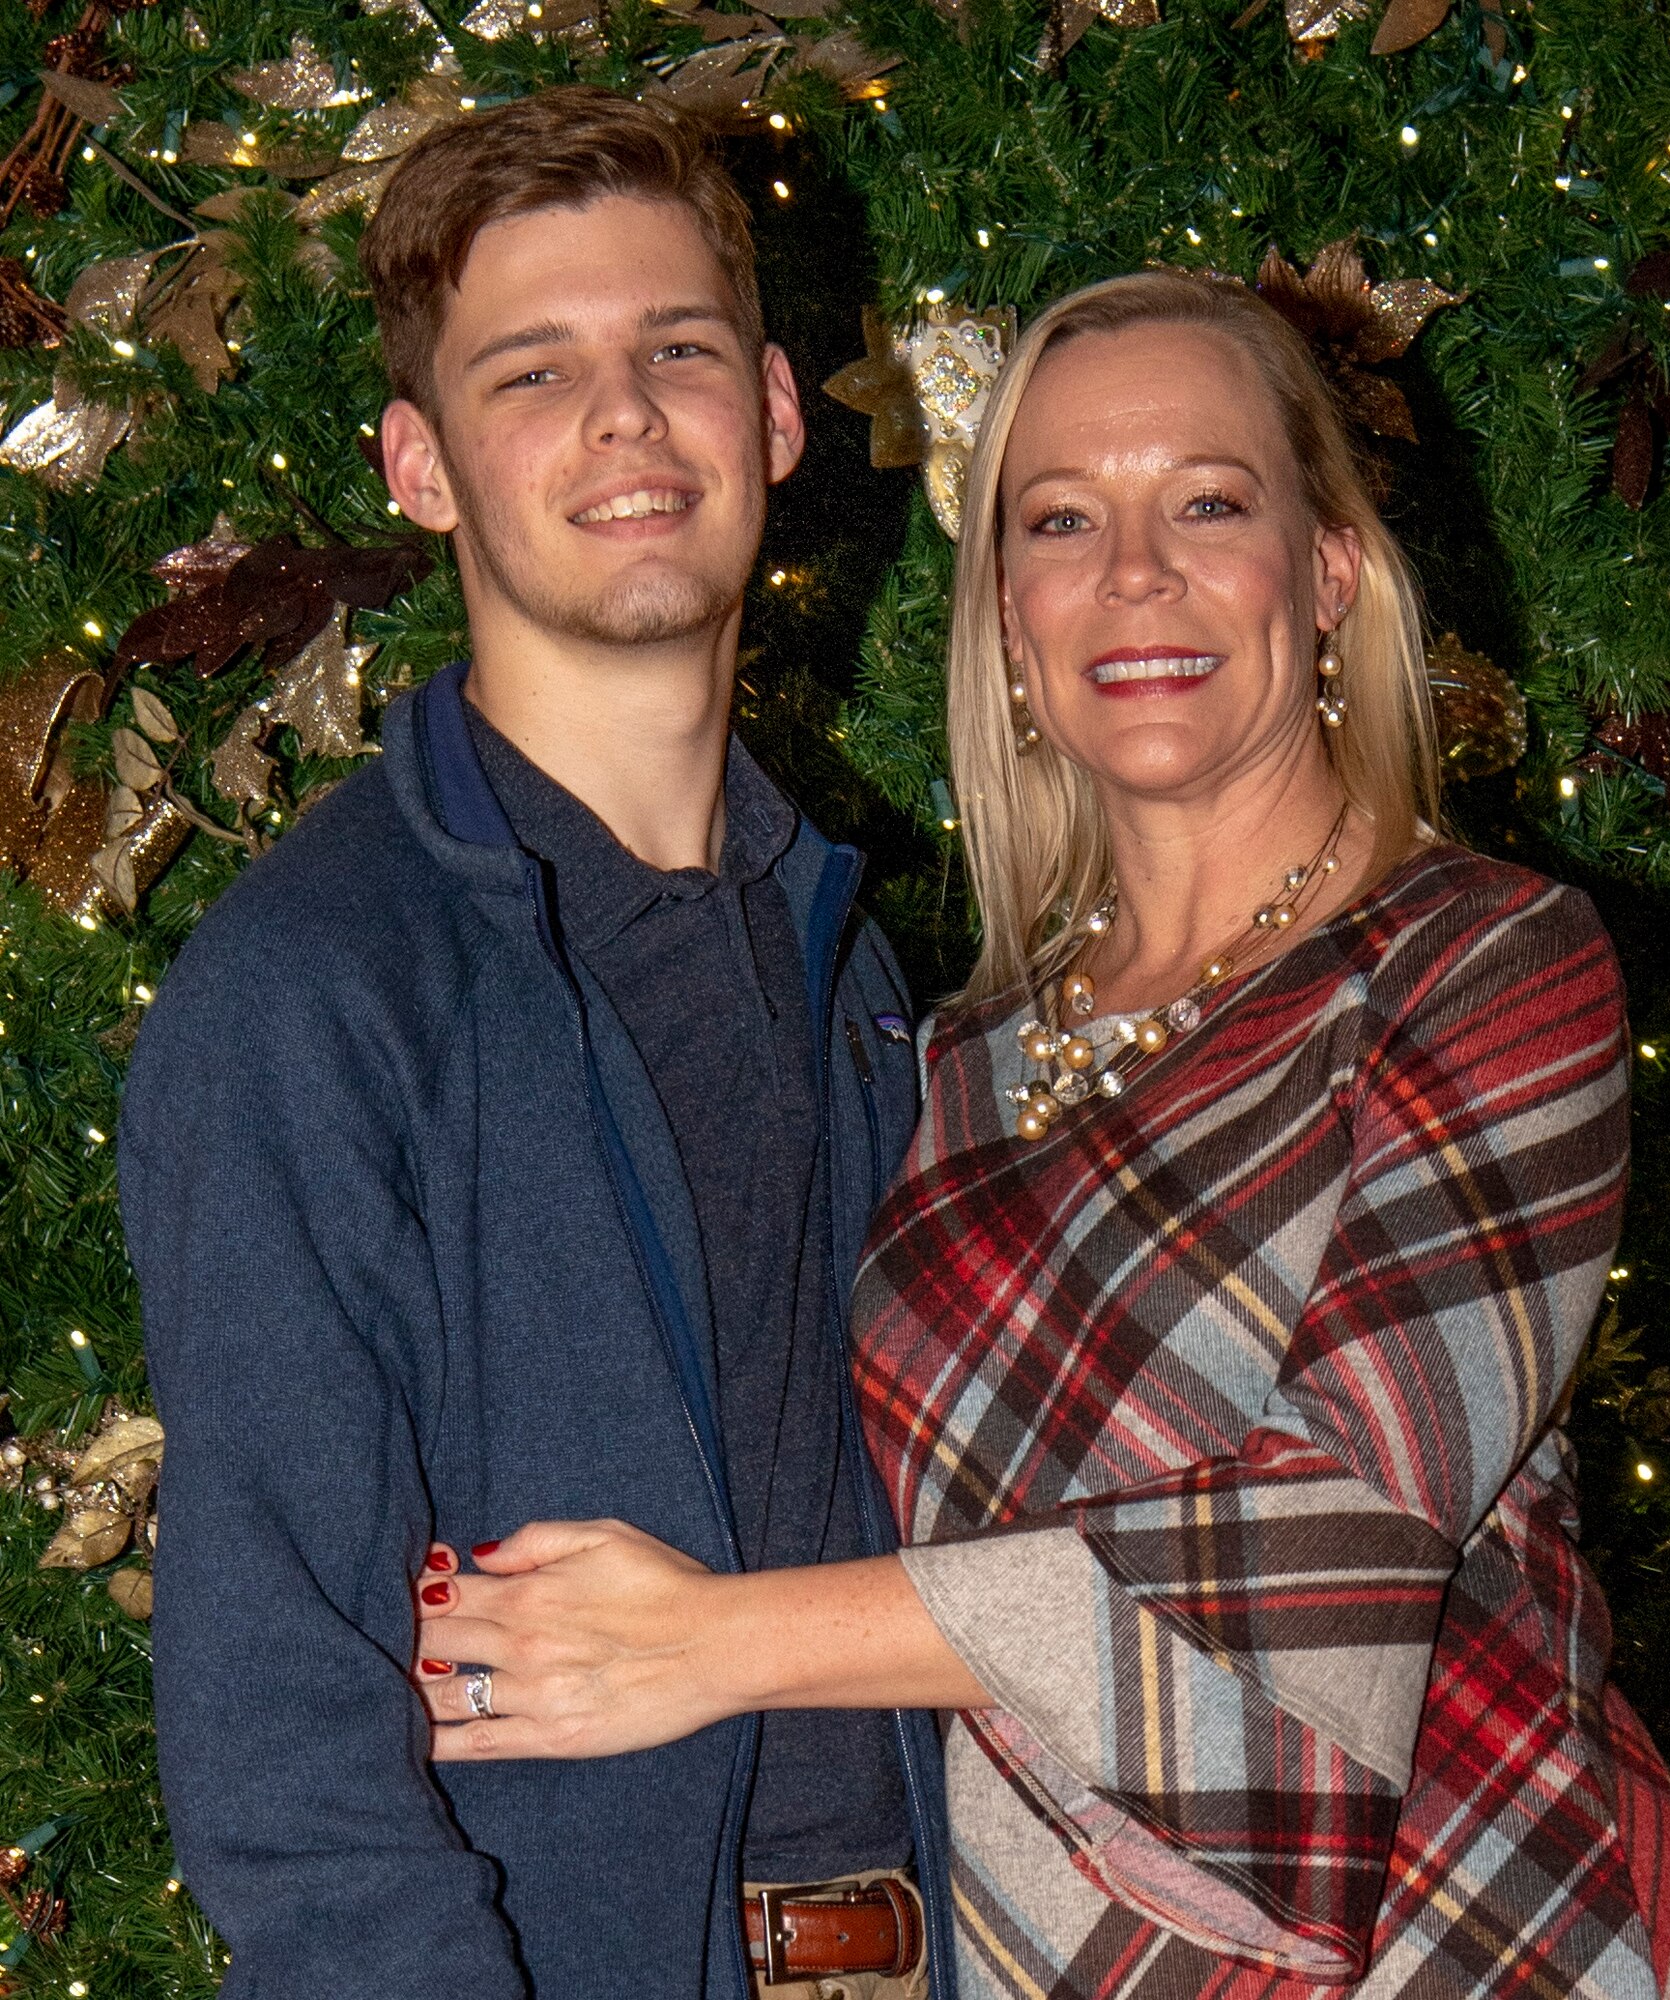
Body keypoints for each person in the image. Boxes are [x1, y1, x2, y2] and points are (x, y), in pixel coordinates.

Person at [407, 268, 1670, 1998]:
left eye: (1206, 501)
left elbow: (1340, 1522)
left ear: (1325, 573)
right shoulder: (939, 1055)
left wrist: (713, 1646)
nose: (1134, 576)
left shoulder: (1480, 963)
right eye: (1059, 521)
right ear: (1009, 620)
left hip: (1482, 1920)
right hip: (1042, 1956)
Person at [118, 86, 953, 2000]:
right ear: (421, 470)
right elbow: (279, 1702)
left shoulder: (849, 960)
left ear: (774, 413)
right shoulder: (314, 989)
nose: (623, 419)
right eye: (531, 372)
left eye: (675, 351)